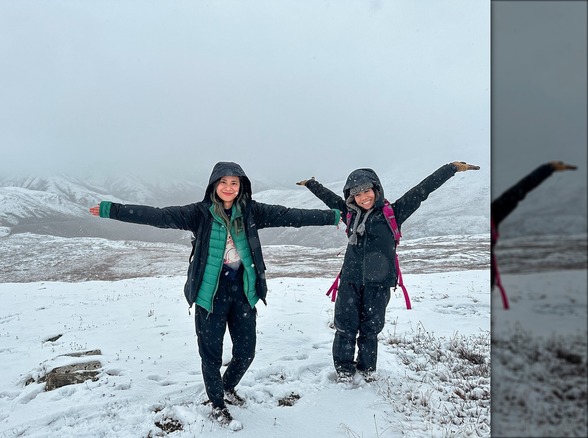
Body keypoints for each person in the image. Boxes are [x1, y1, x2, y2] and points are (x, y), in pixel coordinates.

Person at [89, 161, 341, 426]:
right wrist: (112, 210)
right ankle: (217, 402)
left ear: (241, 186)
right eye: (224, 182)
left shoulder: (252, 211)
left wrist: (332, 216)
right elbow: (158, 216)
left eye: (234, 183)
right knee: (211, 354)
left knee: (246, 352)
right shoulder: (200, 213)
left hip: (243, 293)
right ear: (214, 185)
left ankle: (227, 386)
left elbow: (293, 216)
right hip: (209, 296)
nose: (229, 187)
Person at [296, 161, 480, 382]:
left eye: (367, 191)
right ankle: (344, 371)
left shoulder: (394, 212)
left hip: (379, 283)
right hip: (350, 281)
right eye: (357, 194)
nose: (363, 197)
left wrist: (450, 168)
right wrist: (311, 184)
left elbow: (423, 190)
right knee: (345, 327)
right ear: (350, 197)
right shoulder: (349, 213)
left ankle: (366, 370)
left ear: (376, 189)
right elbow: (328, 198)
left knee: (370, 330)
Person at [491, 160, 578, 308]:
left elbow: (521, 189)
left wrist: (547, 169)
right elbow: (520, 190)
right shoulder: (493, 213)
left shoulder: (494, 212)